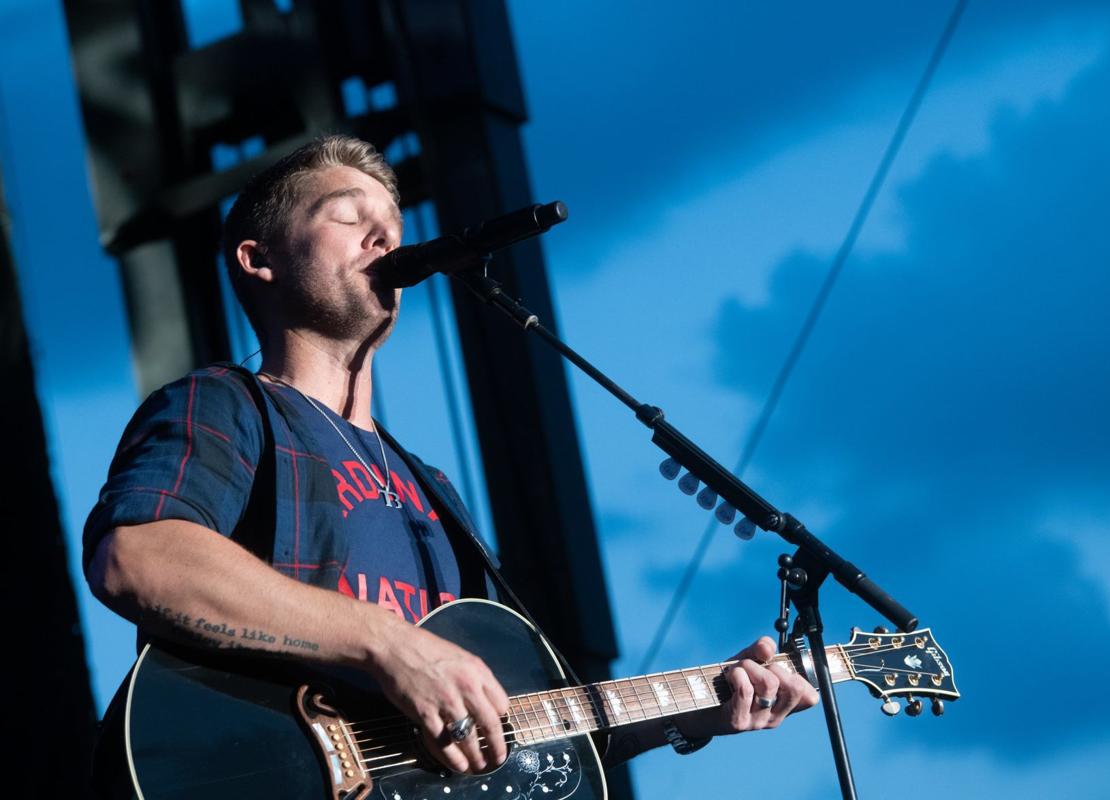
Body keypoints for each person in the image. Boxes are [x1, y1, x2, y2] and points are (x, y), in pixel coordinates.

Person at [84, 135, 818, 786]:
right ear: (259, 259)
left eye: (393, 227)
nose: (383, 235)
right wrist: (387, 644)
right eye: (347, 216)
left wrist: (695, 711)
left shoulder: (430, 490)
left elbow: (513, 722)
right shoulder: (229, 405)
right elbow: (139, 557)